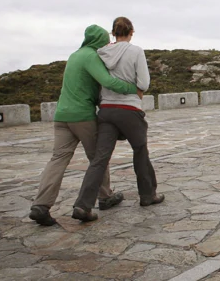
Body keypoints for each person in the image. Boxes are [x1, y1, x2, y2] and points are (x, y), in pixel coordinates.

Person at [29, 25, 139, 226]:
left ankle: (41, 205)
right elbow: (107, 81)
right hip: (82, 117)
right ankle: (105, 197)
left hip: (61, 116)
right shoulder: (91, 57)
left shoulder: (74, 55)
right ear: (97, 40)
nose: (107, 43)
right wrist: (133, 88)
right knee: (98, 157)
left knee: (58, 159)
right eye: (105, 40)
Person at [72, 17, 163, 222]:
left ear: (113, 33)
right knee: (140, 150)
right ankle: (148, 195)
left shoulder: (102, 53)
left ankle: (82, 204)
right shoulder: (136, 51)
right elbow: (144, 83)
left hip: (106, 110)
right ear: (131, 31)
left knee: (100, 158)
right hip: (129, 109)